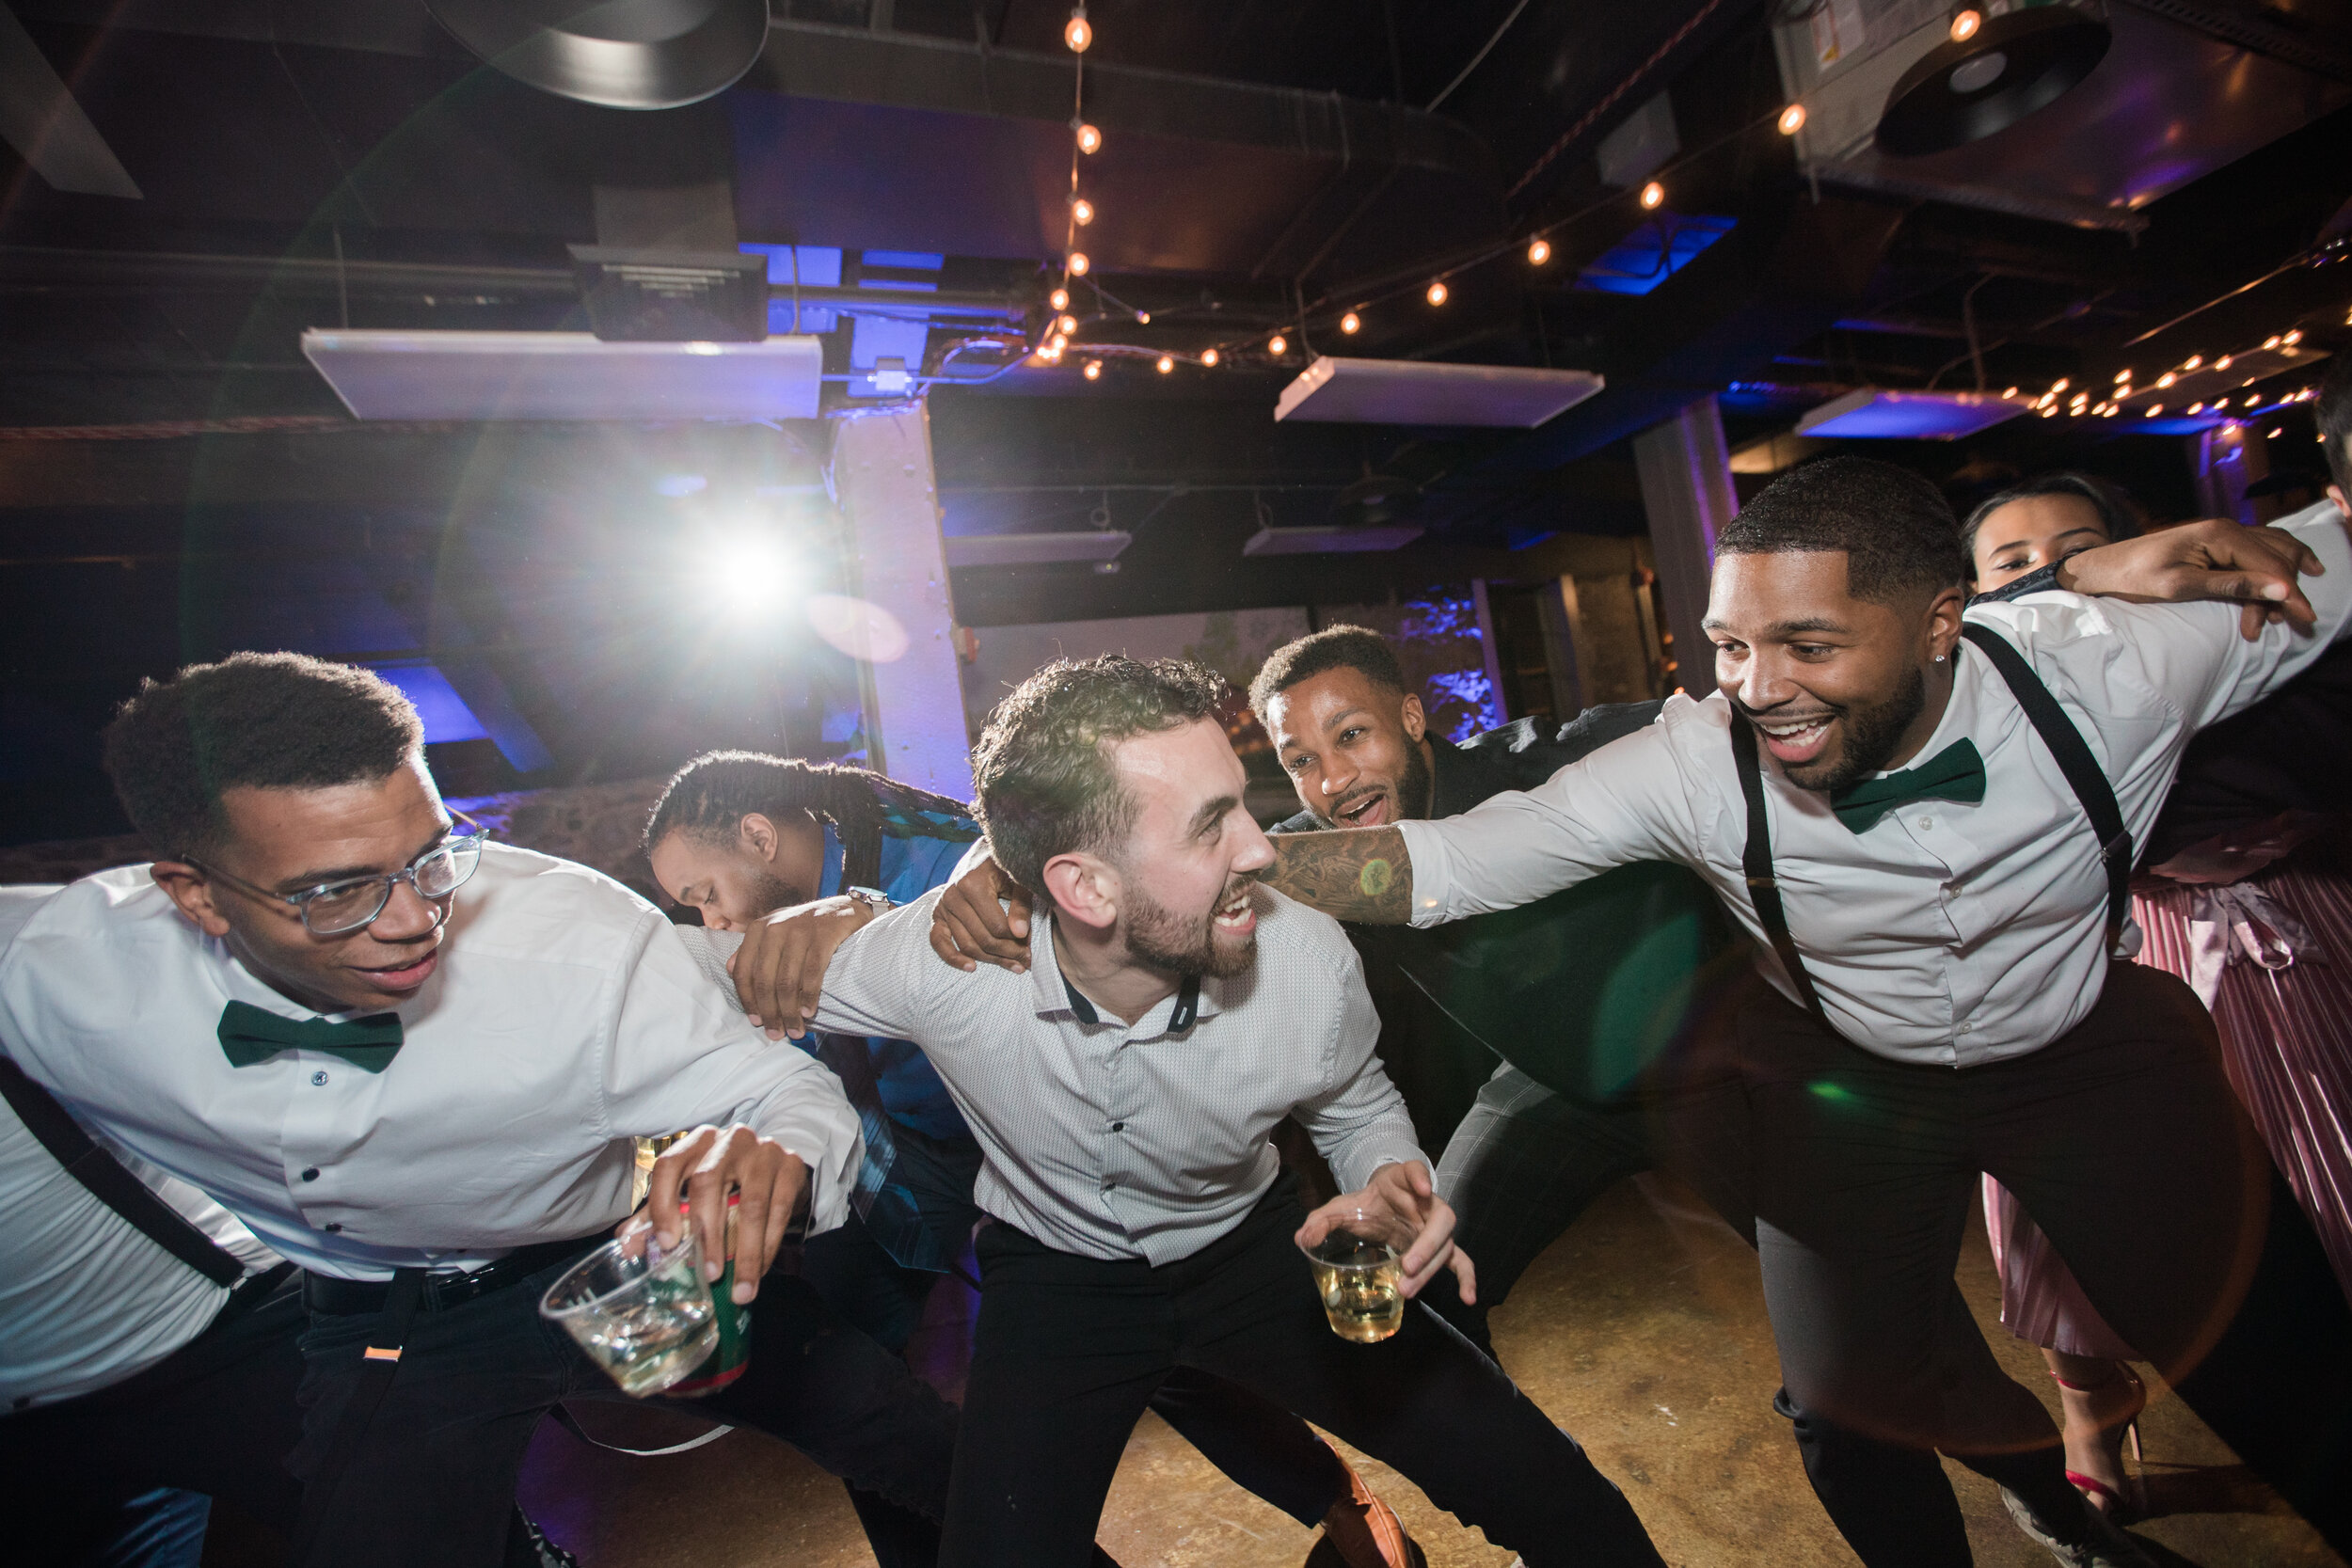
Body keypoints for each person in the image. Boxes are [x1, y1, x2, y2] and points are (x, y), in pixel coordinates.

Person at [1235, 456, 2352, 1568]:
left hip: (1934, 1061)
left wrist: (2075, 576)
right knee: (1826, 1408)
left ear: (1938, 624)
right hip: (1707, 1077)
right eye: (1730, 645)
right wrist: (1210, 865)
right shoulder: (1693, 762)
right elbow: (1442, 864)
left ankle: (2069, 1509)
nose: (1759, 687)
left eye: (1806, 646)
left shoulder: (2118, 665)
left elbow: (2326, 548)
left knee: (2260, 1373)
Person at [0, 653, 967, 1568]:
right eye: (336, 889)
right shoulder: (56, 975)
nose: (413, 917)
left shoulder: (565, 935)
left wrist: (771, 1144)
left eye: (429, 857)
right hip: (388, 1320)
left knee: (905, 1436)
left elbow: (779, 1081)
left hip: (620, 1261)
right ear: (196, 895)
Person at [711, 655, 1671, 1568]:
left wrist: (1383, 1171)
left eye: (1245, 802)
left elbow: (1349, 1096)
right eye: (1210, 825)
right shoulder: (939, 963)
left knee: (1554, 1492)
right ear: (1081, 884)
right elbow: (671, 995)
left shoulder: (1305, 953)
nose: (1265, 846)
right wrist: (803, 925)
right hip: (1056, 1287)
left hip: (1258, 1255)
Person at [646, 749, 1426, 1568]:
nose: (712, 919)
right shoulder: (772, 929)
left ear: (760, 835)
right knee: (849, 1385)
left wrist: (869, 913)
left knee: (1167, 1360)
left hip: (1033, 1147)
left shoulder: (945, 851)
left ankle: (1339, 1501)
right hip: (894, 1155)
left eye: (706, 894)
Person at [1963, 451, 2352, 1522]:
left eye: (2076, 550)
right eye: (2014, 563)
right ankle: (2095, 1408)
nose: (2048, 570)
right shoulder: (1980, 710)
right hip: (2120, 963)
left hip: (2297, 928)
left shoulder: (2242, 633)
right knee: (2067, 1226)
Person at [1246, 626, 1741, 1356]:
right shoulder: (1324, 850)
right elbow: (1208, 865)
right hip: (1553, 1087)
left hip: (1717, 1072)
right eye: (1301, 761)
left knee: (1865, 1348)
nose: (1333, 780)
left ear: (1413, 718)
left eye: (1352, 734)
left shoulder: (1550, 759)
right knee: (1427, 1284)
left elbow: (1739, 733)